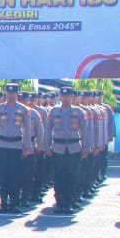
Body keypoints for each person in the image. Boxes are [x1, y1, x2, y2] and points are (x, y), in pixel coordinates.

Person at [0, 83, 35, 214]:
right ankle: (4, 202)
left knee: (15, 175)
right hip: (3, 145)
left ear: (17, 94)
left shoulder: (23, 109)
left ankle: (14, 202)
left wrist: (27, 146)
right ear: (6, 93)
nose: (11, 95)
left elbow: (27, 129)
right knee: (4, 175)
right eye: (9, 93)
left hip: (16, 146)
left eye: (13, 93)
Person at [44, 87, 87, 215]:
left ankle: (69, 203)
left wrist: (85, 148)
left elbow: (84, 131)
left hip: (74, 148)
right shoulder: (54, 112)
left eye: (68, 96)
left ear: (72, 97)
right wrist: (46, 147)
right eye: (63, 96)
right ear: (60, 97)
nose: (65, 98)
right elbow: (47, 130)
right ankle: (60, 203)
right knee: (59, 177)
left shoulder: (78, 112)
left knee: (72, 177)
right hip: (58, 148)